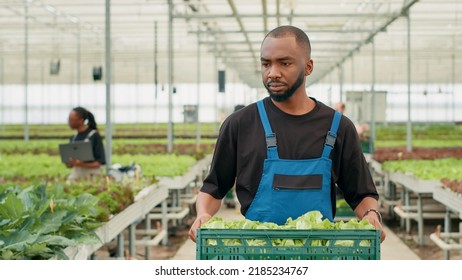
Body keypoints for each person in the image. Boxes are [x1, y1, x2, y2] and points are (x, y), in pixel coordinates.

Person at [189, 26, 385, 242]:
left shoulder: (339, 127)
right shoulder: (239, 124)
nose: (272, 72)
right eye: (266, 64)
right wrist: (203, 214)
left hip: (319, 253)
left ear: (308, 67)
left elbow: (361, 193)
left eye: (285, 63)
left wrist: (371, 214)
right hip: (254, 252)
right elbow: (214, 188)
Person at [66, 107, 106, 180]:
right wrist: (70, 163)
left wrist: (80, 164)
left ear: (81, 120)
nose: (69, 122)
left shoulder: (94, 136)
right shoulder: (73, 138)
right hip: (77, 174)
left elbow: (100, 162)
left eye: (71, 119)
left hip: (92, 175)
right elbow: (70, 164)